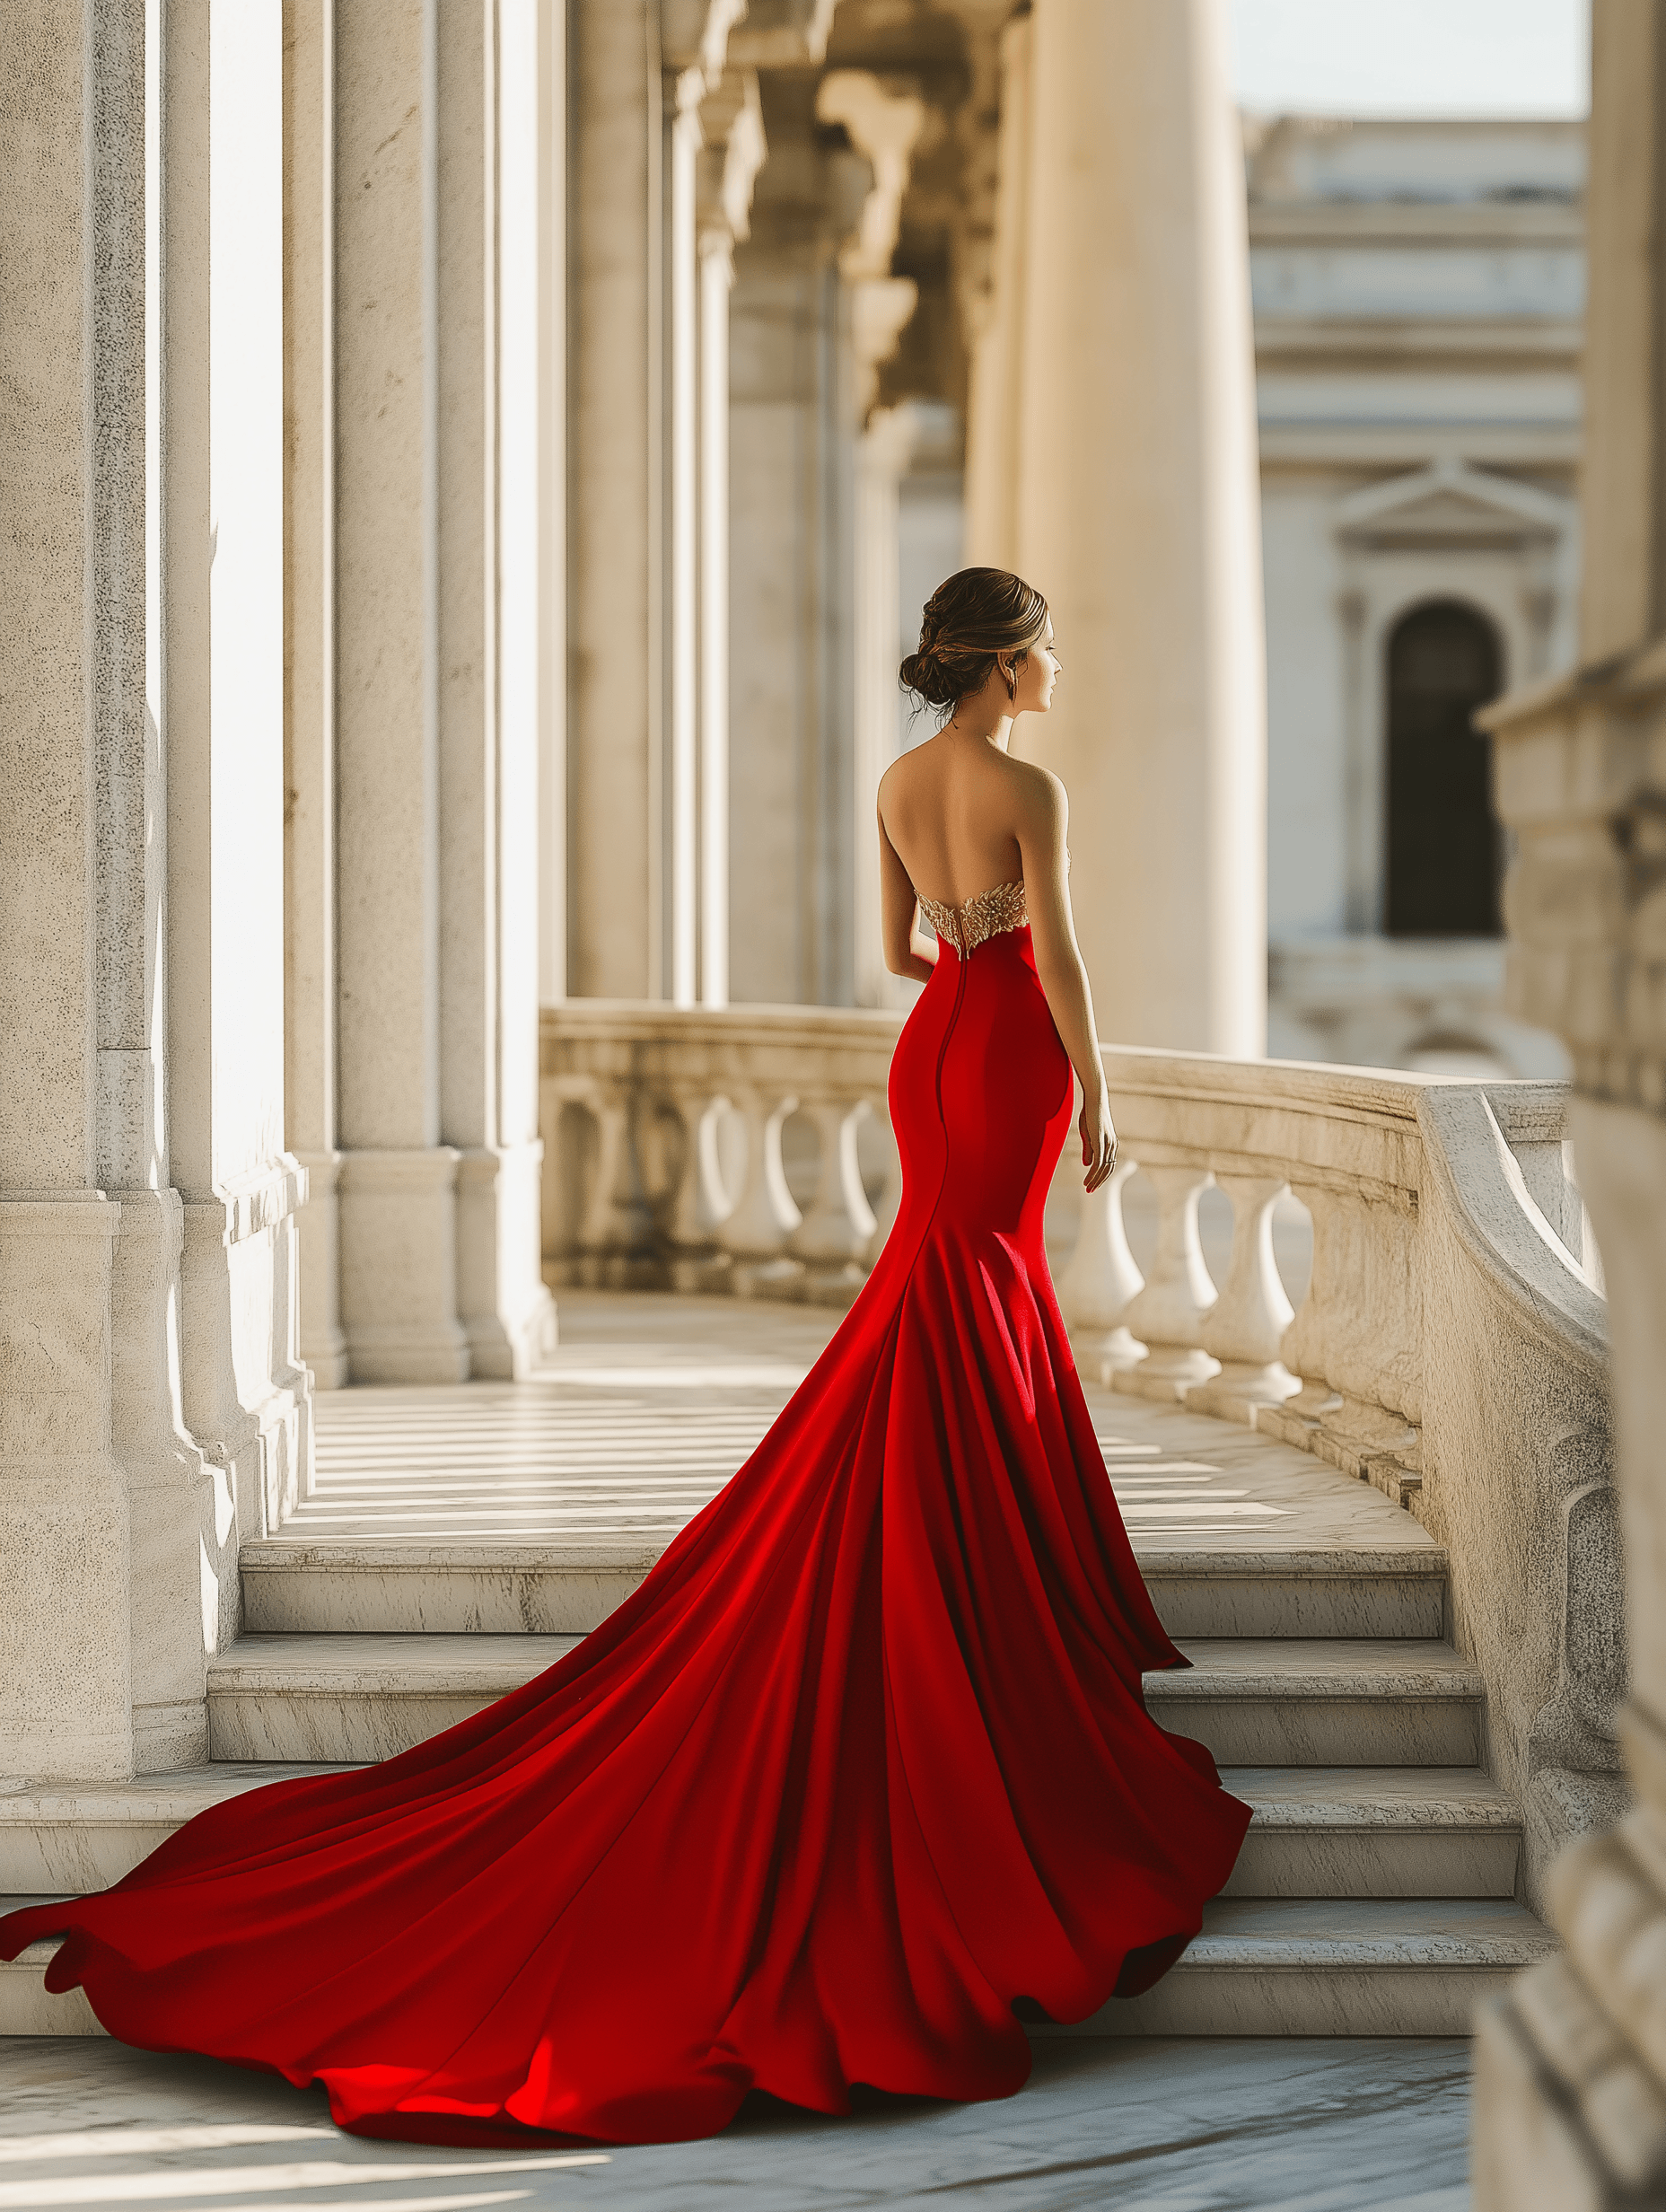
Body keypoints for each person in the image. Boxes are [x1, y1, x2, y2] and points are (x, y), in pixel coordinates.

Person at [0, 566, 1249, 2147]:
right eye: (1047, 646)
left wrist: (968, 960)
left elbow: (896, 954)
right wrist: (1105, 1098)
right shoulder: (1027, 784)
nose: (1058, 667)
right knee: (984, 1278)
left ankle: (955, 1507)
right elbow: (1057, 961)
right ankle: (985, 1539)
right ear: (1005, 664)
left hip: (933, 1047)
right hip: (1004, 1041)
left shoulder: (899, 780)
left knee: (939, 1277)